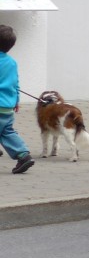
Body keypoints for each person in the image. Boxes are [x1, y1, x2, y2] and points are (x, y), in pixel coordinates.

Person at [0, 24, 34, 174]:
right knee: (7, 131)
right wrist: (16, 100)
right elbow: (16, 83)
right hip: (7, 106)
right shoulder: (12, 62)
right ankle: (23, 155)